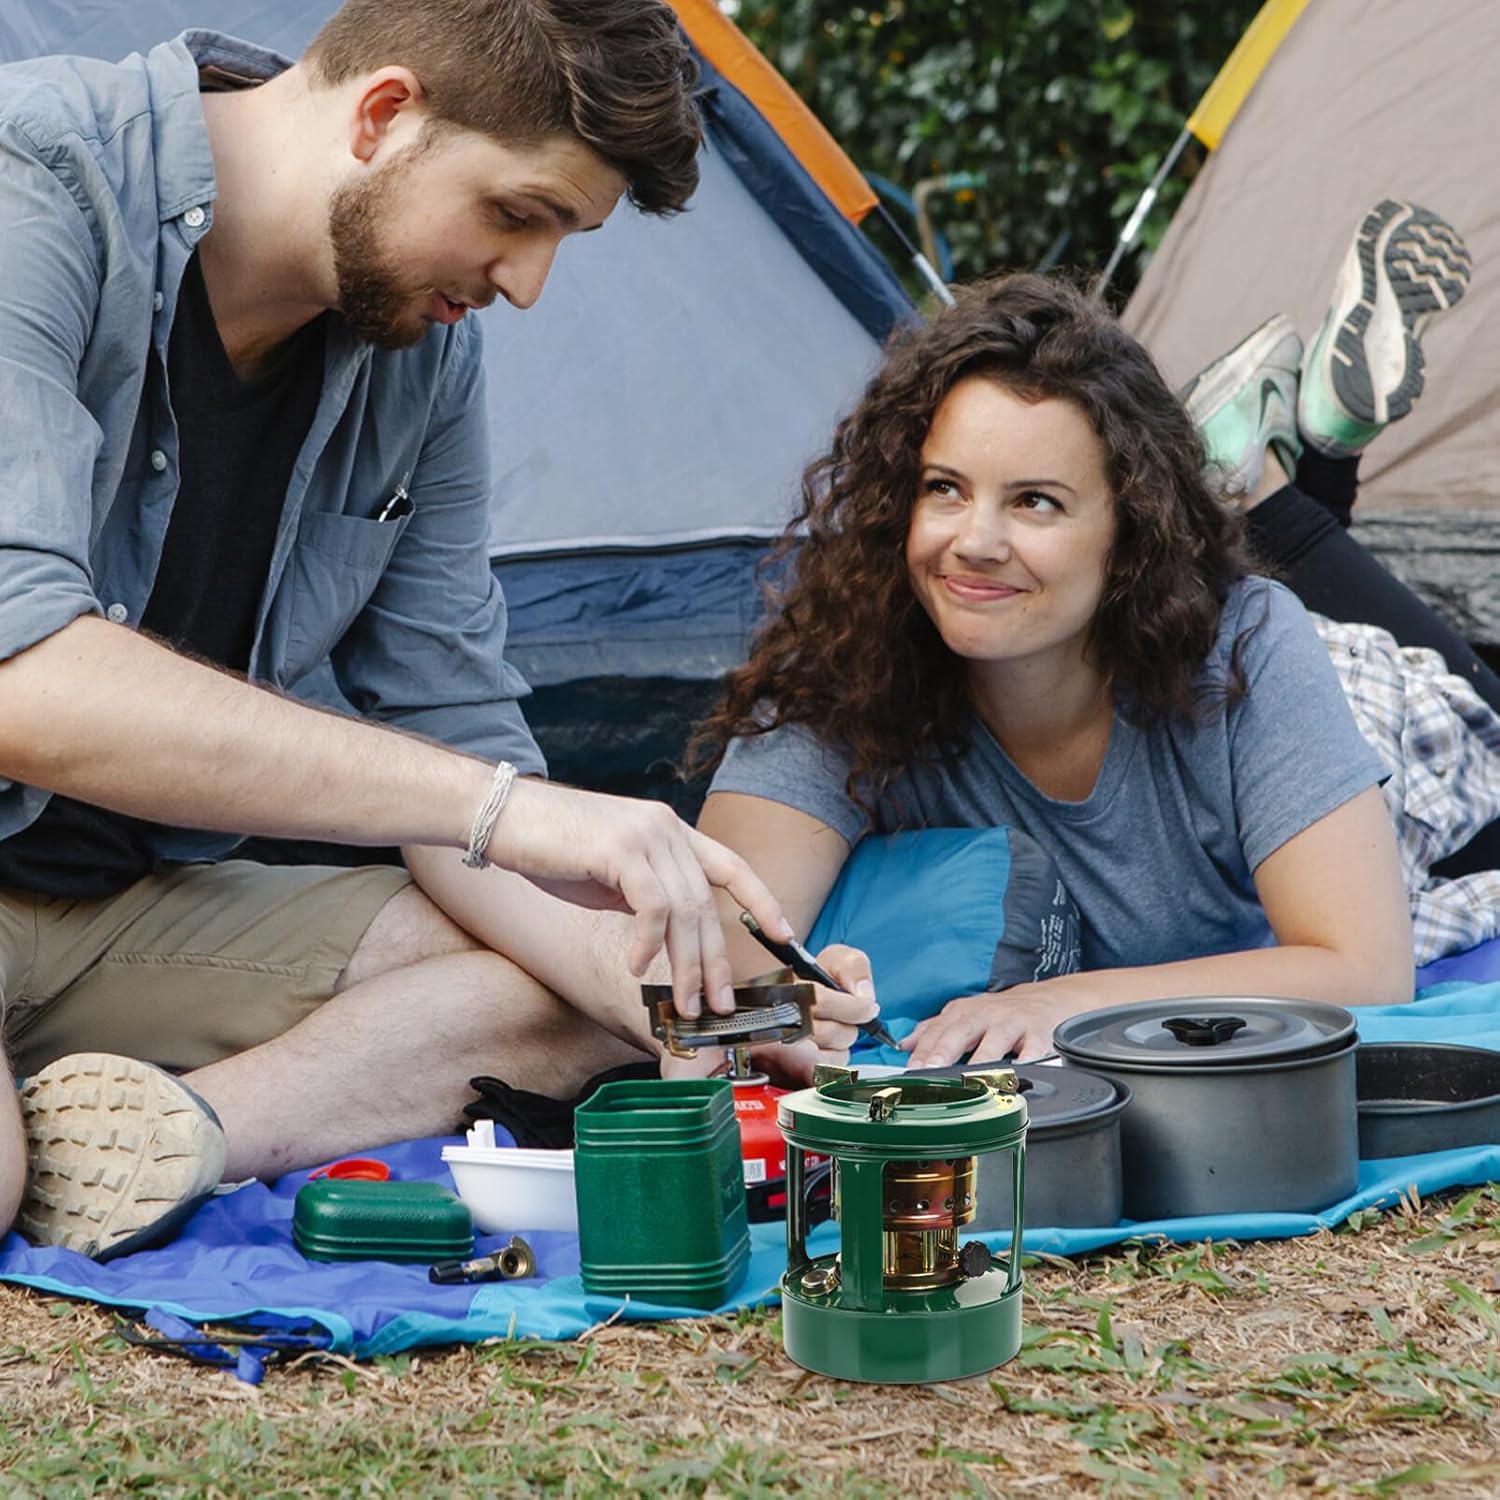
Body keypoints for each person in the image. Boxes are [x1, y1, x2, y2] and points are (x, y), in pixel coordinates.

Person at [0, 0, 887, 1261]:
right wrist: (515, 808)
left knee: (593, 992)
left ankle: (173, 1134)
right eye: (518, 216)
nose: (526, 287)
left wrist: (723, 991)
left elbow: (449, 726)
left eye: (563, 241)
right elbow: (24, 678)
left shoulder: (416, 352)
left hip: (130, 905)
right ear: (384, 115)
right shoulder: (31, 184)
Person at [691, 269, 1415, 1069]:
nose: (976, 541)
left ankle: (1283, 471)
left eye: (1035, 501)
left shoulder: (1244, 647)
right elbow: (714, 963)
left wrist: (1064, 1003)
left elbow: (1368, 967)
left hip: (1387, 722)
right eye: (944, 490)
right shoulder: (845, 662)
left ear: (1129, 532)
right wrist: (795, 1013)